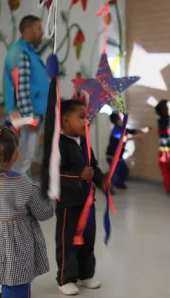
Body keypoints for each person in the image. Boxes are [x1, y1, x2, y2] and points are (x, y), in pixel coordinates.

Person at [0, 126, 55, 297]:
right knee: (16, 287)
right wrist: (50, 197)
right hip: (16, 249)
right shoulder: (25, 185)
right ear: (17, 156)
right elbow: (44, 212)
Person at [56, 99, 109, 296]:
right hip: (68, 204)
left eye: (86, 117)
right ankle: (65, 278)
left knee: (88, 239)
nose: (85, 121)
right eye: (80, 117)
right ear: (65, 120)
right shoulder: (59, 144)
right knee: (67, 241)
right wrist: (78, 176)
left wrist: (101, 181)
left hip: (87, 203)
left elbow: (93, 166)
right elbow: (56, 173)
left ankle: (85, 274)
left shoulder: (85, 142)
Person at [3, 15, 49, 177]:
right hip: (25, 117)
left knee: (25, 161)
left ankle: (21, 195)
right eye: (39, 29)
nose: (42, 33)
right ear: (27, 29)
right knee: (20, 161)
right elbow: (21, 87)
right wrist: (30, 117)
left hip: (30, 116)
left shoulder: (29, 53)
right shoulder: (20, 53)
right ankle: (16, 197)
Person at [106, 111, 150, 191]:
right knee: (115, 172)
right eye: (122, 117)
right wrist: (135, 139)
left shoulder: (123, 129)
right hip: (112, 156)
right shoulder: (116, 130)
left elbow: (132, 131)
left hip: (118, 156)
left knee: (124, 169)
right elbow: (123, 139)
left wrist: (142, 130)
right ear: (118, 120)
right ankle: (109, 187)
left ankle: (119, 184)